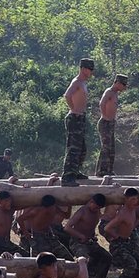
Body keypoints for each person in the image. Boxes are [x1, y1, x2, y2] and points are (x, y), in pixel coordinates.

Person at [63, 193, 112, 278]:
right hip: (77, 242)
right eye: (96, 207)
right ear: (91, 202)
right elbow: (67, 227)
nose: (96, 209)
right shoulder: (82, 211)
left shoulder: (97, 211)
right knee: (84, 259)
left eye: (99, 208)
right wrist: (80, 235)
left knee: (107, 257)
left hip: (90, 242)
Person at [61, 58, 95, 187]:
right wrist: (73, 109)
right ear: (83, 69)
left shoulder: (83, 82)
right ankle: (67, 177)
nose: (91, 72)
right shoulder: (77, 81)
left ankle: (75, 172)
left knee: (82, 148)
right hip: (75, 117)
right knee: (73, 149)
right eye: (89, 69)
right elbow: (67, 95)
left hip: (80, 118)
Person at [103, 187, 139, 278]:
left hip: (129, 241)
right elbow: (107, 228)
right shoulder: (123, 213)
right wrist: (116, 236)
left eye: (136, 199)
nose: (135, 202)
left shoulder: (133, 209)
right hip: (119, 244)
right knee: (131, 264)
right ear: (126, 199)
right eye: (132, 199)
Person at [16, 195, 75, 260]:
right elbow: (19, 219)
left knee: (68, 257)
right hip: (38, 238)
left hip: (50, 236)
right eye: (48, 208)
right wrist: (25, 232)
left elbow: (66, 216)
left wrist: (69, 206)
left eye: (52, 207)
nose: (50, 210)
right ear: (44, 206)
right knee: (38, 261)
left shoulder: (54, 208)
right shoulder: (36, 211)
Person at [94, 74, 128, 176]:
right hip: (105, 123)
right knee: (106, 147)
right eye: (123, 85)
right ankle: (101, 171)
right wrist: (105, 116)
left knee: (111, 148)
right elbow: (102, 103)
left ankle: (108, 170)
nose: (124, 87)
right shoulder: (109, 92)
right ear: (117, 83)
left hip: (111, 123)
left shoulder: (115, 94)